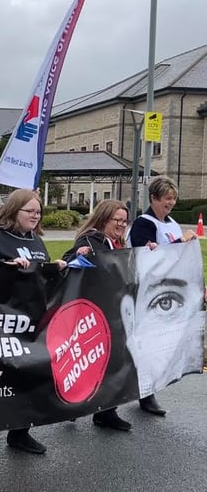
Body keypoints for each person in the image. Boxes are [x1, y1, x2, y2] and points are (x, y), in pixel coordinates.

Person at [0, 188, 67, 455]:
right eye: (30, 211)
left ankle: (20, 433)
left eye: (39, 212)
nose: (36, 216)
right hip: (0, 321)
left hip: (31, 322)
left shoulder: (36, 241)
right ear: (14, 210)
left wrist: (55, 269)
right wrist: (7, 267)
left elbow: (40, 277)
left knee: (29, 375)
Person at [127, 175, 199, 416]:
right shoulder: (143, 224)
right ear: (153, 199)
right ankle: (143, 394)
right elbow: (144, 257)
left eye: (173, 199)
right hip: (143, 293)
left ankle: (147, 391)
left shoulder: (171, 223)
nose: (170, 203)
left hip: (164, 294)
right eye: (166, 199)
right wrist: (180, 242)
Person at [62, 199, 132, 431]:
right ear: (103, 219)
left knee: (112, 362)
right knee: (87, 364)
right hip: (92, 312)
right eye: (117, 220)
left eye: (124, 220)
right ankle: (73, 408)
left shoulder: (116, 241)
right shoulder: (89, 240)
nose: (122, 224)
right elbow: (69, 261)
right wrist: (77, 255)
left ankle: (106, 411)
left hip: (113, 309)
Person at [121, 241, 204, 401]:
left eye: (124, 221)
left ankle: (146, 397)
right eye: (166, 303)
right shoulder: (93, 240)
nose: (122, 224)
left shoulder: (120, 243)